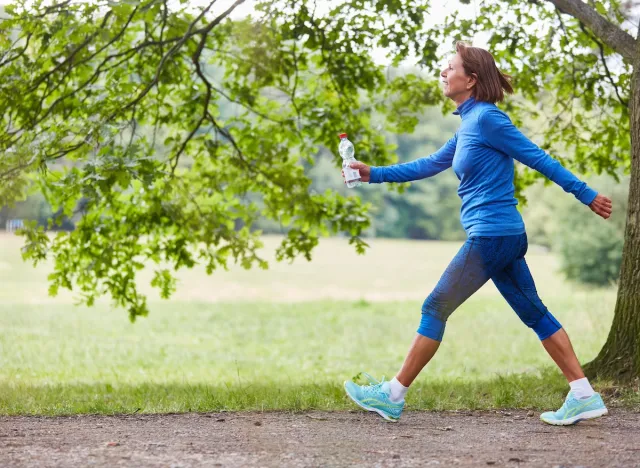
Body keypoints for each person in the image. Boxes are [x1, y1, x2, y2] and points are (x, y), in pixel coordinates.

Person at [342, 42, 613, 426]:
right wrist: (373, 173)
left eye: (449, 67)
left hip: (491, 237)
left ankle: (392, 395)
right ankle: (584, 394)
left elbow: (536, 156)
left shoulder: (488, 119)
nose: (443, 72)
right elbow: (429, 164)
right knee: (534, 313)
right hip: (502, 237)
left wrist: (585, 194)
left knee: (435, 307)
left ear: (470, 79)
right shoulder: (468, 124)